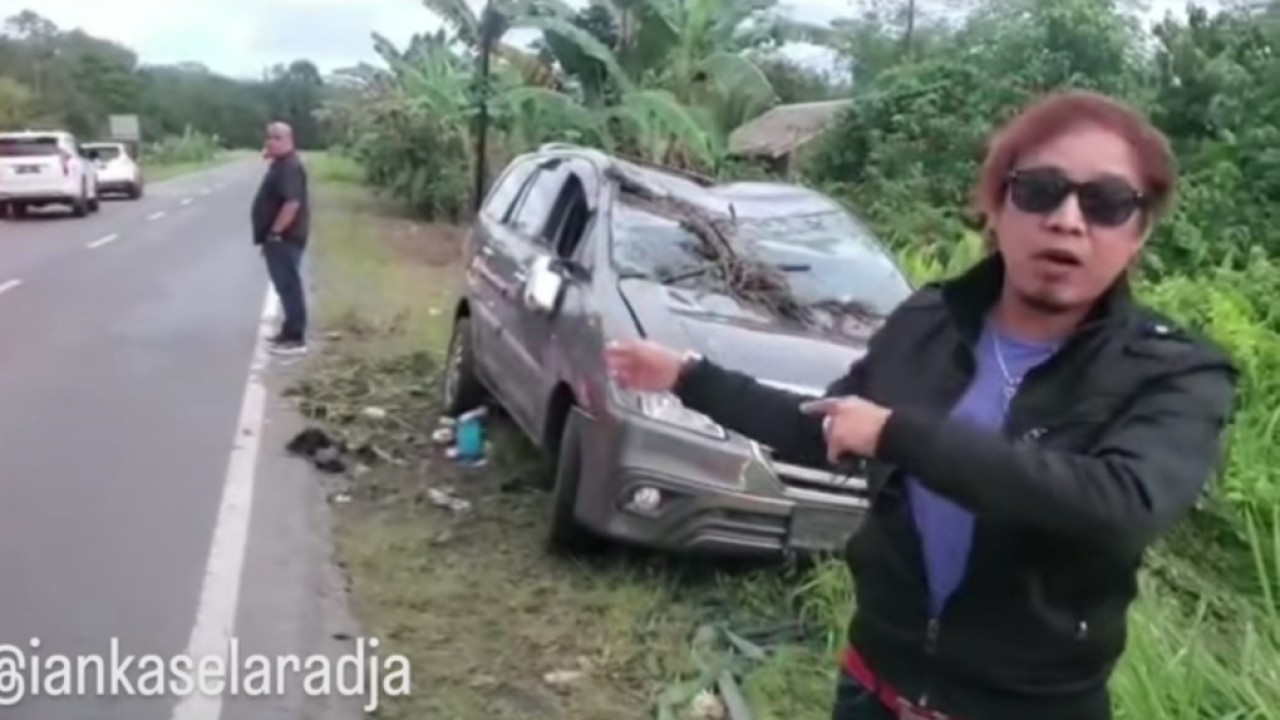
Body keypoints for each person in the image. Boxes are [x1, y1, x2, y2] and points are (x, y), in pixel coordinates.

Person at [604, 90, 1238, 720]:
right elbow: (827, 429)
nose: (1068, 220)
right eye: (1041, 190)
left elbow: (1118, 506)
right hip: (876, 690)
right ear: (997, 206)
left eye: (1105, 203)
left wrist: (899, 435)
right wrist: (691, 377)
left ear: (1140, 230)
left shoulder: (1173, 372)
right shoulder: (930, 320)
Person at [252, 121, 311, 355]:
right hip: (278, 238)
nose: (270, 141)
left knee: (289, 286)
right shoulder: (280, 164)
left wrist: (276, 232)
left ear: (289, 140)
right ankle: (288, 331)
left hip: (286, 237)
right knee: (283, 286)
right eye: (268, 137)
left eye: (277, 138)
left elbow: (292, 203)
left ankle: (296, 337)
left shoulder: (289, 167)